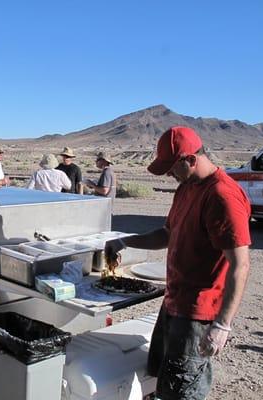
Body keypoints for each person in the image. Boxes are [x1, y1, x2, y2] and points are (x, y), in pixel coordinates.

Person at [104, 126, 251, 399]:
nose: (169, 175)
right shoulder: (185, 189)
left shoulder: (222, 196)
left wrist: (222, 325)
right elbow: (168, 234)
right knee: (163, 379)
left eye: (171, 168)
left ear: (190, 160)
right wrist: (126, 241)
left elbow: (240, 264)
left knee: (183, 389)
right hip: (175, 302)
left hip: (199, 313)